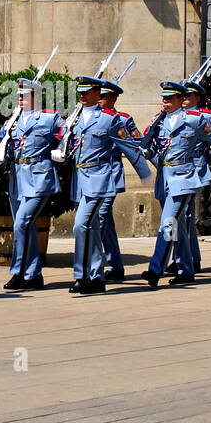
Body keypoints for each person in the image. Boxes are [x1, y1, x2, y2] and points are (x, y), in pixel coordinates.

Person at [53, 75, 151, 294]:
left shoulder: (109, 119)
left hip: (100, 179)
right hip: (80, 180)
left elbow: (129, 146)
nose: (82, 95)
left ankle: (82, 275)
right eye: (80, 91)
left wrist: (144, 173)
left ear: (98, 94)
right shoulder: (74, 119)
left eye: (87, 91)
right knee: (94, 229)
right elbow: (69, 143)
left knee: (81, 225)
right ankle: (97, 277)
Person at [140, 80, 211, 288]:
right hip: (165, 177)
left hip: (184, 177)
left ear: (180, 99)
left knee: (168, 222)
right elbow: (153, 147)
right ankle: (186, 267)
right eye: (163, 98)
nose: (165, 102)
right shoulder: (159, 120)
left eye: (170, 98)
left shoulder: (195, 119)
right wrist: (149, 154)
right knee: (178, 225)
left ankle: (155, 268)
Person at [0, 77, 60, 290]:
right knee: (24, 227)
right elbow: (3, 143)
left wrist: (61, 152)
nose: (20, 98)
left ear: (36, 96)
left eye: (25, 95)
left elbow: (67, 139)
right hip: (17, 179)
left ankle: (18, 272)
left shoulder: (50, 118)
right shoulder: (12, 121)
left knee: (22, 223)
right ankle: (34, 275)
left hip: (39, 178)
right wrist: (0, 154)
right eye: (19, 94)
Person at [96, 78, 140, 282]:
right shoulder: (90, 116)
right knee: (107, 223)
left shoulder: (123, 118)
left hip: (111, 172)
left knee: (100, 218)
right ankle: (116, 266)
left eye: (103, 96)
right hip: (91, 175)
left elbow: (135, 143)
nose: (100, 99)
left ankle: (94, 264)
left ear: (113, 98)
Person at [174, 80, 211, 274]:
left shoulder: (205, 116)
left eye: (188, 96)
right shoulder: (171, 116)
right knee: (177, 218)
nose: (185, 100)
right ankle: (181, 255)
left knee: (186, 216)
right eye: (182, 96)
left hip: (195, 168)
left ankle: (189, 257)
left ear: (197, 97)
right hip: (173, 172)